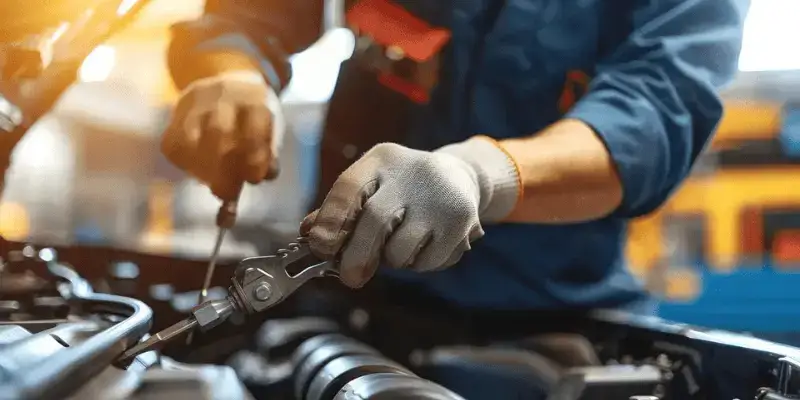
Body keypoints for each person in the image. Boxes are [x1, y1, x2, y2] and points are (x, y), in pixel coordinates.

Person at [163, 0, 749, 315]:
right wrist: (232, 72)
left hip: (541, 318)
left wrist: (480, 174)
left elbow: (653, 113)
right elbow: (253, 14)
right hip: (345, 299)